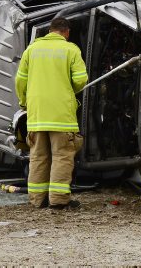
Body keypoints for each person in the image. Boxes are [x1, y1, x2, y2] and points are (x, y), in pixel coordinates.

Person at [15, 16, 88, 210]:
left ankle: (37, 200)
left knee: (38, 157)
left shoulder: (31, 50)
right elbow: (81, 79)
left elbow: (20, 81)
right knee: (62, 156)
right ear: (66, 32)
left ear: (50, 30)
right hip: (61, 115)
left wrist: (24, 102)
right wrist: (67, 87)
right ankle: (58, 200)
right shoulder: (70, 49)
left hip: (37, 113)